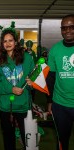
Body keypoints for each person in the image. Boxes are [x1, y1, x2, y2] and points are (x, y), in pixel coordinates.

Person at [0, 27, 34, 150]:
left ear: (16, 42)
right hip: (6, 107)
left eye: (11, 40)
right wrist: (11, 89)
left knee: (27, 138)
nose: (8, 43)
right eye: (5, 41)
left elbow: (34, 76)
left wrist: (33, 83)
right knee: (8, 137)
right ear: (2, 43)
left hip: (23, 106)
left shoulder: (27, 58)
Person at [46, 14, 74, 150]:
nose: (68, 30)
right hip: (60, 104)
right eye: (64, 28)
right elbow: (51, 77)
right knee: (62, 140)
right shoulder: (55, 50)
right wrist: (50, 101)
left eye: (71, 27)